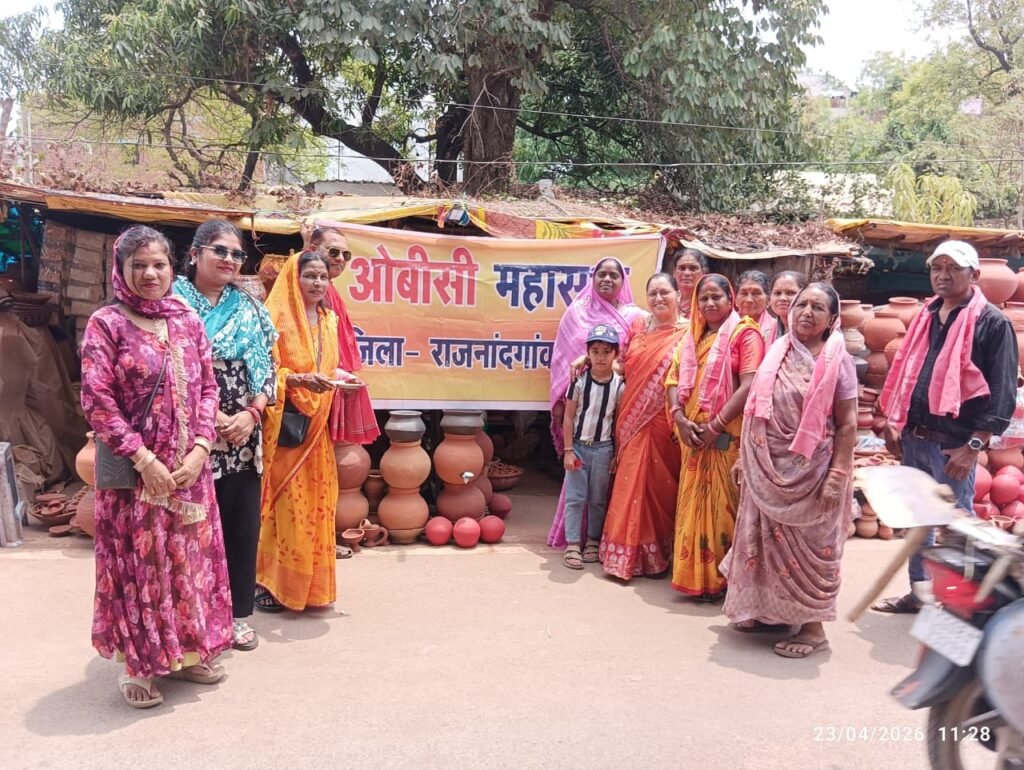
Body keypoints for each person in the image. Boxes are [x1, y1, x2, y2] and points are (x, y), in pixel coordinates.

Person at [80, 225, 231, 709]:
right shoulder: (106, 324)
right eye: (139, 265)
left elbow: (208, 388)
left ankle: (189, 652)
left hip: (189, 472)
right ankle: (139, 662)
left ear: (172, 267)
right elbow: (97, 401)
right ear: (120, 269)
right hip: (136, 478)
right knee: (142, 568)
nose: (150, 274)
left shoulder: (186, 319)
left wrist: (201, 449)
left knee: (189, 562)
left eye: (159, 264)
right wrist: (144, 460)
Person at [873, 240, 1018, 614]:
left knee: (955, 527)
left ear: (974, 274)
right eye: (937, 268)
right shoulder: (926, 316)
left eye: (953, 268)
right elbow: (908, 373)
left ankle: (957, 606)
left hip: (954, 446)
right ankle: (919, 594)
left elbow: (1003, 391)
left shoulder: (992, 323)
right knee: (918, 523)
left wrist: (973, 447)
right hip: (915, 439)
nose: (943, 275)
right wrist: (894, 422)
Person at [722, 283, 857, 658]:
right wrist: (745, 458)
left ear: (832, 319)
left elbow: (848, 424)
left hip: (814, 474)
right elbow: (757, 411)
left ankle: (813, 630)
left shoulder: (837, 360)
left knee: (812, 547)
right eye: (802, 304)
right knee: (763, 541)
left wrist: (837, 476)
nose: (806, 312)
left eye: (817, 307)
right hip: (766, 468)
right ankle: (769, 614)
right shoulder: (776, 351)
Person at [174, 219, 278, 651]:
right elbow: (171, 372)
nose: (229, 260)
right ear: (195, 254)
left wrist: (252, 413)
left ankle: (237, 617)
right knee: (192, 528)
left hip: (243, 438)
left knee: (240, 526)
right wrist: (213, 418)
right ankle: (196, 619)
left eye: (237, 254)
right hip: (189, 433)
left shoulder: (249, 307)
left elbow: (267, 368)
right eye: (220, 250)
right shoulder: (172, 305)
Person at [256, 250, 351, 613]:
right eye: (310, 276)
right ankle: (268, 581)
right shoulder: (274, 317)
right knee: (285, 509)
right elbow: (264, 373)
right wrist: (297, 381)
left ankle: (309, 587)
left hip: (316, 431)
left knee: (316, 508)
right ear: (293, 280)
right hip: (285, 430)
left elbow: (326, 366)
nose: (317, 283)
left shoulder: (328, 319)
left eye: (323, 277)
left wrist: (341, 378)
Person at [667, 274, 765, 601]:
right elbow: (672, 379)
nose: (709, 303)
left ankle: (723, 583)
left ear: (729, 299)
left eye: (716, 297)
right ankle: (695, 578)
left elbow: (749, 385)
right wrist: (679, 418)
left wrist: (715, 426)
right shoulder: (692, 337)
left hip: (725, 439)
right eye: (703, 298)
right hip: (693, 438)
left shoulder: (745, 334)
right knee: (692, 506)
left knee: (724, 509)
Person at [547, 257, 645, 549]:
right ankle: (572, 540)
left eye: (614, 275)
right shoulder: (577, 312)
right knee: (576, 491)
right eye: (601, 274)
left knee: (600, 494)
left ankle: (595, 540)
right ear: (592, 278)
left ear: (623, 281)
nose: (607, 279)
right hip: (579, 407)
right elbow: (562, 355)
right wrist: (562, 399)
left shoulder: (634, 316)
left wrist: (604, 365)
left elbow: (636, 358)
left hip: (613, 405)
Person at [599, 273, 689, 580]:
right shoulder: (638, 326)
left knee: (659, 488)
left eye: (665, 292)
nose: (658, 298)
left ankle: (656, 556)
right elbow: (622, 364)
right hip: (631, 419)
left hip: (665, 422)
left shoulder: (689, 332)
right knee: (629, 483)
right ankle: (623, 554)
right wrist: (589, 362)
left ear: (678, 295)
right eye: (653, 293)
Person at [303, 222, 380, 447]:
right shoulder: (304, 294)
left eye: (345, 255)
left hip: (332, 381)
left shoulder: (330, 291)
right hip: (310, 388)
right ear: (313, 250)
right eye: (334, 252)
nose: (340, 259)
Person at [559, 324, 625, 569]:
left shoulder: (619, 386)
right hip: (578, 448)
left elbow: (617, 421)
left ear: (615, 354)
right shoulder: (578, 382)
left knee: (597, 499)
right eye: (595, 351)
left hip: (603, 450)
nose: (600, 357)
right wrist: (568, 450)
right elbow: (568, 417)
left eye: (606, 352)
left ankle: (593, 542)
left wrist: (616, 453)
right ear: (588, 353)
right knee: (575, 498)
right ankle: (572, 544)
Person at [764, 270, 807, 345]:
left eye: (790, 293)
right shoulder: (768, 334)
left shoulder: (809, 334)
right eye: (777, 293)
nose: (782, 298)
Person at [670, 247, 708, 320]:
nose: (687, 273)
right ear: (674, 272)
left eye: (693, 268)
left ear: (703, 272)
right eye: (682, 268)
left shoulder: (707, 302)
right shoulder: (667, 299)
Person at [735, 269, 771, 338]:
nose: (749, 300)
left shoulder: (776, 329)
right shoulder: (726, 326)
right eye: (744, 293)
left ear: (768, 300)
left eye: (756, 293)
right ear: (735, 299)